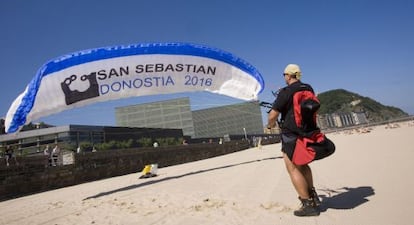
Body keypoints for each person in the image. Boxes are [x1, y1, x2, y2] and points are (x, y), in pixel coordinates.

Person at [266, 64, 321, 217]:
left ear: (289, 76)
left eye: (284, 74)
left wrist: (269, 126)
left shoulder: (285, 91)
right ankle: (313, 196)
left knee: (293, 168)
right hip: (308, 132)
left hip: (292, 134)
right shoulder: (308, 88)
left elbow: (272, 116)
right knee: (304, 165)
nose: (284, 77)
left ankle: (307, 204)